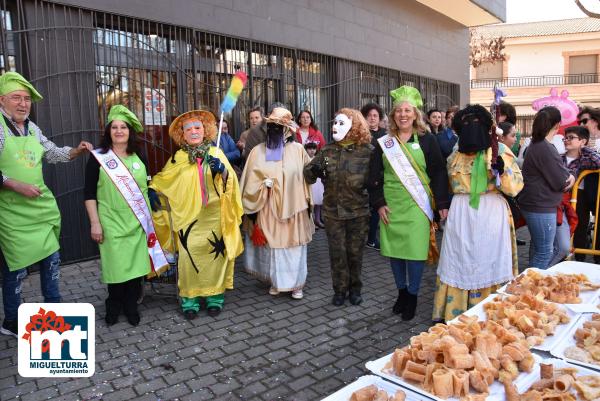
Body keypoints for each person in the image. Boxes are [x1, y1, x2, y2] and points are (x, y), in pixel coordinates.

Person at [0, 71, 93, 337]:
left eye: (27, 99)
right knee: (15, 269)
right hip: (12, 212)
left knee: (51, 261)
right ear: (1, 100)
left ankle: (54, 310)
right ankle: (12, 322)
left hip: (40, 208)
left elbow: (52, 152)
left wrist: (76, 151)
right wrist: (15, 184)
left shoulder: (32, 127)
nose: (23, 103)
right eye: (16, 97)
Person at [432, 105, 523, 323]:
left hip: (491, 212)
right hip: (461, 212)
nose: (471, 128)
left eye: (476, 123)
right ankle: (457, 310)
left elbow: (515, 187)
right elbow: (446, 181)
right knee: (460, 257)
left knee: (489, 257)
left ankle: (491, 310)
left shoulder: (499, 151)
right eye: (466, 124)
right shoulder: (455, 155)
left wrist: (502, 172)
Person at [150, 109, 243, 319]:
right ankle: (189, 298)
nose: (193, 132)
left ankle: (214, 297)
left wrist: (223, 172)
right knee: (187, 259)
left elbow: (232, 185)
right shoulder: (177, 158)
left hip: (214, 217)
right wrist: (152, 188)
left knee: (215, 258)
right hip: (188, 220)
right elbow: (165, 180)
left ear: (205, 130)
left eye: (197, 127)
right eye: (188, 129)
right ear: (183, 134)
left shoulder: (217, 153)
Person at [368, 86, 449, 321]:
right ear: (393, 116)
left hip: (417, 205)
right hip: (391, 206)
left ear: (415, 114)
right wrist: (379, 203)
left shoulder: (427, 140)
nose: (403, 115)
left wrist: (442, 202)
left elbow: (438, 172)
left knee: (414, 253)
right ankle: (401, 293)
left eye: (407, 110)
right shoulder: (385, 143)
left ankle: (412, 295)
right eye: (398, 111)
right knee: (395, 252)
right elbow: (374, 175)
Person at [84, 105, 167, 326]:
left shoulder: (139, 154)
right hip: (110, 221)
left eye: (123, 127)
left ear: (130, 131)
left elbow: (148, 182)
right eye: (114, 127)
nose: (119, 131)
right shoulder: (98, 158)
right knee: (116, 266)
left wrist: (151, 192)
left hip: (137, 221)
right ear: (108, 131)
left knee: (135, 267)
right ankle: (113, 304)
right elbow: (89, 193)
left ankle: (131, 305)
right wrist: (95, 223)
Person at [240, 107, 314, 299]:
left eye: (279, 126)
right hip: (268, 209)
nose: (274, 129)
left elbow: (307, 178)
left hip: (293, 211)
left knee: (292, 247)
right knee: (273, 248)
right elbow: (249, 180)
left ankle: (296, 285)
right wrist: (262, 186)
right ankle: (277, 282)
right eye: (271, 125)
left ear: (287, 129)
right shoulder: (257, 151)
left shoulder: (298, 151)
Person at [305, 108, 373, 306]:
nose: (335, 126)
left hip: (358, 213)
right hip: (333, 213)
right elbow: (308, 175)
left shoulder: (367, 151)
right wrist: (314, 169)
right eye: (334, 122)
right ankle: (339, 290)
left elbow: (378, 180)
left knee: (355, 253)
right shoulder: (327, 151)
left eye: (341, 123)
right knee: (337, 254)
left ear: (355, 126)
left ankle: (355, 289)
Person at [519, 106, 574, 269]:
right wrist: (570, 177)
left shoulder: (537, 144)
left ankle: (531, 285)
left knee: (540, 250)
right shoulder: (545, 147)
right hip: (541, 206)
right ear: (557, 125)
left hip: (537, 204)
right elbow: (560, 182)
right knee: (545, 252)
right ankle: (530, 288)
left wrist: (568, 176)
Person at [561, 125, 600, 263]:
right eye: (565, 138)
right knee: (563, 226)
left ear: (582, 142)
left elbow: (598, 161)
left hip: (580, 197)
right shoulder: (559, 158)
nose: (566, 140)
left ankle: (580, 258)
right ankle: (562, 255)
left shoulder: (586, 157)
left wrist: (585, 149)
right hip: (562, 198)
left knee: (580, 226)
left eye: (571, 137)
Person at [574, 107, 600, 262]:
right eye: (579, 121)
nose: (581, 124)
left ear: (595, 120)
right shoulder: (579, 138)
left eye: (584, 120)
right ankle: (579, 259)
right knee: (579, 224)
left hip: (597, 188)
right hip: (581, 188)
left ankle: (597, 261)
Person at [361, 103, 386, 250]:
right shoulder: (361, 134)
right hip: (364, 176)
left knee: (378, 207)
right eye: (369, 115)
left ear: (380, 118)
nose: (372, 118)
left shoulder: (385, 134)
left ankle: (372, 238)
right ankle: (366, 237)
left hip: (380, 177)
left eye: (375, 115)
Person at [304, 141, 324, 228]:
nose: (312, 151)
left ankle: (317, 220)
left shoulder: (318, 159)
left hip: (318, 183)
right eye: (309, 148)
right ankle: (310, 221)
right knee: (310, 202)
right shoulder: (304, 159)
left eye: (314, 148)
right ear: (306, 149)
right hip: (309, 182)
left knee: (318, 201)